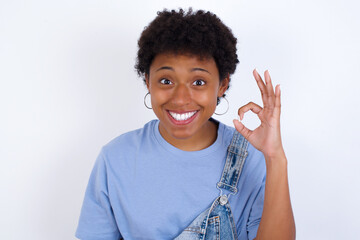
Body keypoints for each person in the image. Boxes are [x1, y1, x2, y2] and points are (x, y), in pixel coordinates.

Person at [75, 8, 295, 240]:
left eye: (198, 82)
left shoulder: (253, 158)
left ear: (222, 84)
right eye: (166, 80)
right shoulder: (115, 159)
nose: (180, 98)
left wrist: (275, 158)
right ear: (148, 82)